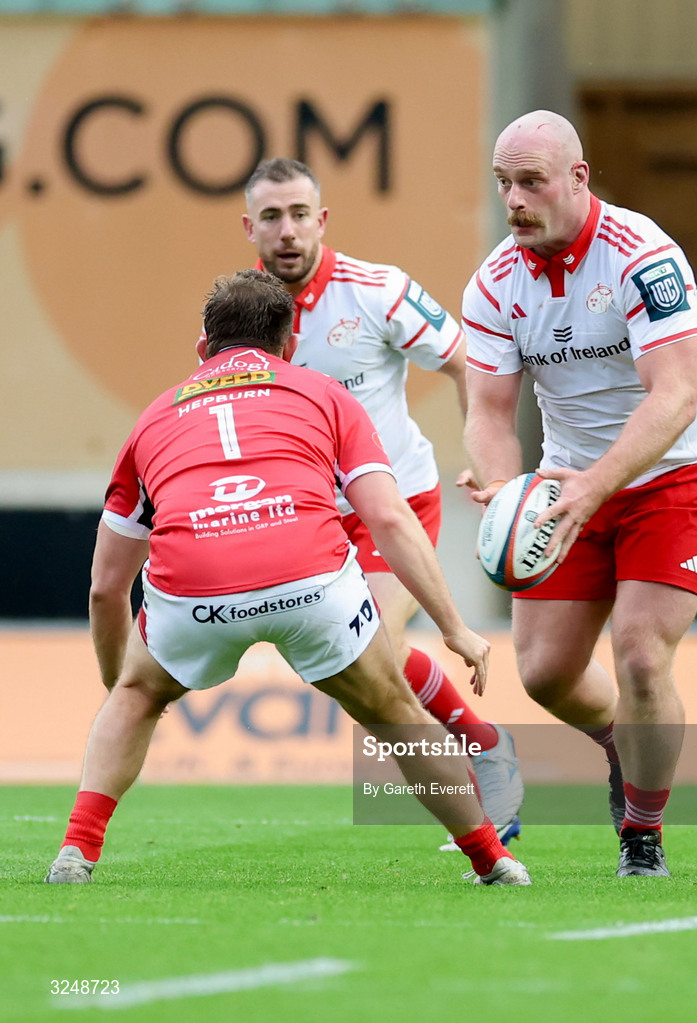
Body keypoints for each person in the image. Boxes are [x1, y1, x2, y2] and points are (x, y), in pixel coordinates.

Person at [44, 270, 530, 888]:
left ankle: (77, 852)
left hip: (195, 589)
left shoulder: (151, 420)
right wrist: (455, 627)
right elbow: (387, 517)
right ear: (290, 344)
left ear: (202, 347)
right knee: (396, 711)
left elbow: (105, 588)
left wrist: (126, 691)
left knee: (136, 697)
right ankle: (492, 859)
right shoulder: (325, 394)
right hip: (309, 582)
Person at [461, 111, 697, 876]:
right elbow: (486, 410)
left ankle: (640, 835)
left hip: (674, 470)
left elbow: (674, 393)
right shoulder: (494, 281)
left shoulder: (640, 255)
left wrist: (594, 483)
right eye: (502, 184)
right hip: (568, 481)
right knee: (546, 672)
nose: (512, 200)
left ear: (577, 179)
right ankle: (628, 745)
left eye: (530, 182)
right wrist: (500, 486)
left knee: (640, 655)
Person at [238, 158, 523, 845]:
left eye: (300, 214)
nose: (287, 230)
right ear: (249, 227)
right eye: (271, 217)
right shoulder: (240, 319)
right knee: (355, 676)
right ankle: (480, 740)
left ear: (322, 219)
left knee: (373, 670)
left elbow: (465, 359)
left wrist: (486, 462)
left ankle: (481, 798)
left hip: (392, 504)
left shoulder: (377, 291)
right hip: (307, 522)